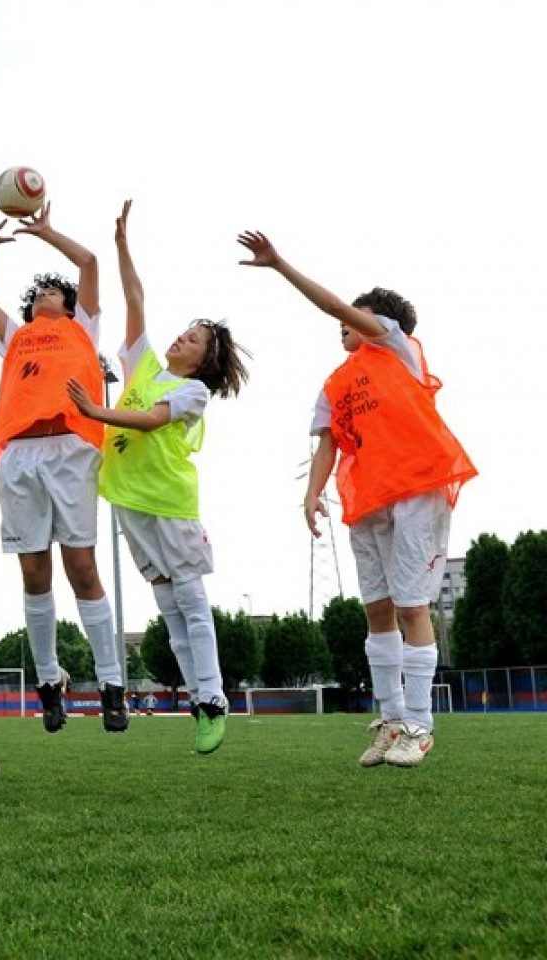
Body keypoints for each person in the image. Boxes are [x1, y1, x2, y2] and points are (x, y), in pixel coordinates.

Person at [238, 228, 476, 768]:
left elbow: (332, 305)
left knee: (413, 605)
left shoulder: (397, 347)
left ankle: (420, 724)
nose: (345, 321)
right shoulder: (334, 383)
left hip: (417, 486)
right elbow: (327, 444)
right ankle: (392, 721)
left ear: (381, 323)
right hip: (366, 499)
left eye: (355, 314)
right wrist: (310, 494)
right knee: (377, 610)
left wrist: (280, 265)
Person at [68, 201, 250, 754]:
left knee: (192, 604)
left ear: (204, 360)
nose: (179, 340)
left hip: (169, 505)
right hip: (130, 504)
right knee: (168, 611)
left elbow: (149, 421)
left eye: (192, 340)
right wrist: (123, 245)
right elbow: (136, 298)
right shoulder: (147, 365)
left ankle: (213, 698)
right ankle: (199, 700)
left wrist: (98, 414)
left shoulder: (192, 392)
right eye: (183, 333)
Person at [0, 203, 126, 733]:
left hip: (70, 447)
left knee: (81, 567)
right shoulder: (15, 336)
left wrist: (45, 232)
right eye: (38, 294)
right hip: (19, 454)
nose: (44, 297)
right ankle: (48, 683)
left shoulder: (84, 327)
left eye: (51, 293)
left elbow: (89, 261)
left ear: (69, 303)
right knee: (34, 574)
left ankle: (111, 684)